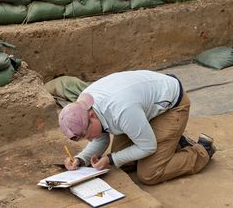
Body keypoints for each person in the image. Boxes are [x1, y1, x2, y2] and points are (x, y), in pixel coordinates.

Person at [58, 70, 216, 185]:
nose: (89, 139)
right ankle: (172, 141)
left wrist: (111, 159)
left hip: (172, 105)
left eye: (87, 135)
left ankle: (202, 150)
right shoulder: (84, 106)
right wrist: (80, 159)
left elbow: (148, 146)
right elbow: (100, 137)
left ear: (92, 116)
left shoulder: (122, 111)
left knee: (149, 173)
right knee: (125, 163)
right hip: (142, 110)